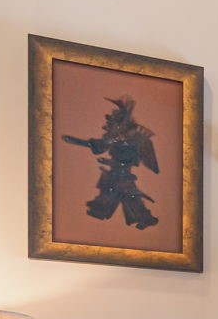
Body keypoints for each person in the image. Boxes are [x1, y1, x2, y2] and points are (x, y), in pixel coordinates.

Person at [61, 96, 159, 229]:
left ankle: (145, 218)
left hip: (123, 176)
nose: (111, 125)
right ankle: (99, 214)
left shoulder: (135, 141)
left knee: (130, 197)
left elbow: (127, 161)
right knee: (108, 196)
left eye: (115, 121)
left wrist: (109, 162)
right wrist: (76, 141)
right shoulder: (113, 139)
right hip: (113, 175)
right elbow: (97, 145)